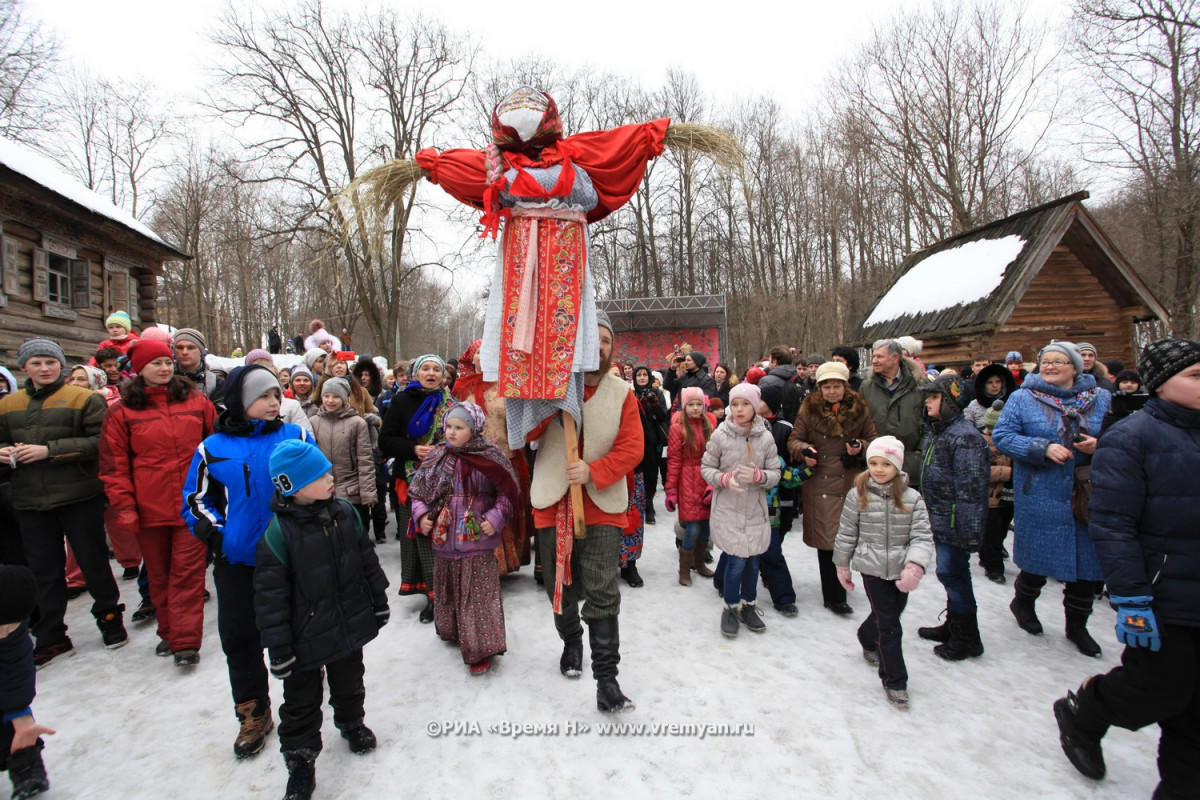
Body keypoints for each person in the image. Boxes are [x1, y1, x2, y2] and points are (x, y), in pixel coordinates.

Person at [1053, 338, 1200, 797]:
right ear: (1160, 384)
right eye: (1195, 375)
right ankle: (1086, 710)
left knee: (1195, 715)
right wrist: (1131, 597)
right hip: (1164, 590)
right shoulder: (1132, 438)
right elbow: (1113, 523)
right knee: (1158, 688)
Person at [182, 364, 313, 758]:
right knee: (239, 638)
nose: (275, 403)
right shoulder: (213, 447)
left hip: (290, 558)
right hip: (237, 561)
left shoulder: (297, 436)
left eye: (277, 395)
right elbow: (196, 500)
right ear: (240, 401)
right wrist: (219, 535)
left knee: (299, 633)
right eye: (264, 396)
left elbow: (319, 488)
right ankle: (253, 712)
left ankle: (302, 707)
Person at [256, 439, 389, 800]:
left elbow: (366, 561)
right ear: (293, 487)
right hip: (305, 635)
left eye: (328, 470)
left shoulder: (345, 512)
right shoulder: (278, 534)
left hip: (346, 622)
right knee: (300, 702)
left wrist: (378, 600)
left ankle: (351, 722)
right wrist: (279, 648)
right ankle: (300, 762)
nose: (330, 478)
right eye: (320, 475)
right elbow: (270, 600)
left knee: (350, 679)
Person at [528, 311, 643, 712]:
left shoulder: (623, 393)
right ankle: (571, 642)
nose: (598, 348)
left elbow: (632, 448)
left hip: (601, 504)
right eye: (589, 341)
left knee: (602, 590)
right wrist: (542, 401)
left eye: (605, 342)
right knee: (558, 589)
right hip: (551, 501)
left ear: (613, 349)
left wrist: (594, 470)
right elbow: (520, 434)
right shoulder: (548, 388)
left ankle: (607, 681)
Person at [0, 338, 126, 668]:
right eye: (37, 363)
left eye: (50, 362)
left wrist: (49, 450)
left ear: (61, 365)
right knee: (44, 570)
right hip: (29, 498)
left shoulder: (83, 399)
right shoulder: (8, 404)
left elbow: (100, 441)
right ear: (23, 366)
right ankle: (51, 634)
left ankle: (110, 617)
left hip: (78, 494)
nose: (44, 368)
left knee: (93, 562)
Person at [99, 339, 215, 667]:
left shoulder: (195, 400)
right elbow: (114, 466)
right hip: (147, 508)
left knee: (188, 574)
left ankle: (185, 642)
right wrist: (124, 507)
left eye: (168, 362)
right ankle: (168, 632)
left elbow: (213, 449)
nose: (165, 368)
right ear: (139, 368)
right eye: (156, 364)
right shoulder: (121, 411)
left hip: (191, 505)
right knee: (159, 576)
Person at [993, 341, 1112, 658]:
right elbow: (1003, 436)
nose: (1051, 366)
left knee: (1086, 562)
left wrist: (1100, 445)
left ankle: (1077, 625)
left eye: (1060, 361)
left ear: (1076, 367)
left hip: (1088, 491)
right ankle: (1024, 602)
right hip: (1041, 489)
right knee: (1038, 557)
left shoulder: (1101, 399)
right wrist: (1040, 448)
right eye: (1046, 361)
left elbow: (1121, 438)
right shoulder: (1022, 398)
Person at [410, 402, 519, 675]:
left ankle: (480, 647)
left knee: (477, 592)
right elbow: (419, 492)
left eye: (459, 428)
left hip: (476, 536)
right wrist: (421, 515)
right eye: (448, 426)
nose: (451, 432)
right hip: (445, 535)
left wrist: (495, 518)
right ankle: (452, 629)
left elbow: (509, 493)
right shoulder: (437, 455)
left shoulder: (491, 455)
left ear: (474, 428)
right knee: (447, 584)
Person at [833, 436, 934, 709]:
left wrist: (915, 565)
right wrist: (842, 565)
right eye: (874, 463)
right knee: (890, 625)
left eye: (886, 464)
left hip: (902, 568)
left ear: (898, 467)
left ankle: (867, 636)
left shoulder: (913, 498)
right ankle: (895, 681)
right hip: (871, 566)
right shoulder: (859, 494)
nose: (879, 469)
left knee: (889, 613)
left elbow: (922, 537)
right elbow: (846, 532)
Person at [787, 361, 877, 616]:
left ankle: (842, 583)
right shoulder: (809, 409)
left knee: (846, 538)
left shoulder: (859, 408)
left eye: (836, 386)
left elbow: (873, 439)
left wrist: (859, 447)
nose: (831, 391)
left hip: (850, 480)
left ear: (845, 386)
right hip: (821, 482)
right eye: (826, 386)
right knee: (828, 541)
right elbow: (794, 439)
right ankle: (834, 596)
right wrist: (804, 451)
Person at [914, 373, 990, 661]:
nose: (927, 402)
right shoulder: (939, 431)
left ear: (950, 401)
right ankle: (954, 625)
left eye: (934, 397)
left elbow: (972, 489)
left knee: (952, 573)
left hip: (956, 521)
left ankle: (967, 637)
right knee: (952, 575)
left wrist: (968, 531)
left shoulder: (965, 439)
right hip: (941, 516)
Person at [379, 355, 454, 623]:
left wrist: (442, 451)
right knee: (421, 536)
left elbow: (463, 437)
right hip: (409, 479)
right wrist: (413, 449)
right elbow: (385, 441)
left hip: (444, 479)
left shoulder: (452, 405)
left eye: (437, 369)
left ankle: (445, 593)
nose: (431, 373)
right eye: (425, 368)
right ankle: (433, 596)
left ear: (444, 376)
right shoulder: (401, 400)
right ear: (415, 373)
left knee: (441, 535)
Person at [702, 382, 780, 638]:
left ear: (755, 408)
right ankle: (730, 607)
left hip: (755, 510)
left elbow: (775, 473)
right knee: (735, 562)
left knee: (753, 562)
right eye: (735, 404)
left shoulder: (766, 436)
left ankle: (749, 605)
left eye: (745, 404)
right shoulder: (720, 434)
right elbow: (707, 468)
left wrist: (759, 475)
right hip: (728, 508)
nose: (739, 409)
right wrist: (724, 480)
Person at [450, 340, 534, 576]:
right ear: (471, 358)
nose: (484, 356)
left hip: (507, 456)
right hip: (473, 461)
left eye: (491, 352)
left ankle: (508, 563)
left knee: (505, 510)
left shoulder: (509, 385)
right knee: (479, 511)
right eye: (479, 352)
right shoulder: (459, 389)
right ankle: (484, 566)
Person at [0, 565, 56, 799]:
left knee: (13, 720)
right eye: (1, 628)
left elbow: (15, 671)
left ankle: (26, 766)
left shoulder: (9, 612)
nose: (5, 634)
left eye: (12, 627)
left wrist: (21, 717)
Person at [309, 378, 377, 540]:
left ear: (344, 398)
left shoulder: (357, 423)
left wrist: (368, 493)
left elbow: (365, 460)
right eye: (327, 396)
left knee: (353, 538)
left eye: (336, 397)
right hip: (322, 491)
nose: (330, 401)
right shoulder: (313, 422)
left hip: (351, 491)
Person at [665, 387, 715, 587]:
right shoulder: (678, 428)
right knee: (692, 528)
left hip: (706, 478)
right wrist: (671, 491)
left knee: (705, 528)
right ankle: (684, 568)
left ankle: (699, 562)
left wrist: (713, 483)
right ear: (684, 407)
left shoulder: (709, 425)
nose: (695, 408)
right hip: (687, 481)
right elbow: (674, 460)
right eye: (691, 405)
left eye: (699, 404)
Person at [859, 339, 926, 486]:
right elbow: (860, 422)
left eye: (879, 357)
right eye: (874, 357)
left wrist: (920, 450)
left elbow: (930, 422)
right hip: (877, 464)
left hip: (910, 462)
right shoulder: (866, 387)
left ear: (895, 357)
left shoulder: (920, 386)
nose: (874, 361)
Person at [978, 401, 1015, 585]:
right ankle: (994, 568)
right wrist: (1008, 473)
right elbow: (979, 471)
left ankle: (985, 555)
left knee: (1000, 532)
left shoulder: (1012, 441)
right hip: (989, 497)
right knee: (992, 533)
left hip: (1008, 497)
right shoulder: (980, 443)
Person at [631, 365, 667, 528]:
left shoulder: (658, 393)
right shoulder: (630, 394)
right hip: (635, 440)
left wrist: (654, 403)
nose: (642, 378)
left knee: (652, 474)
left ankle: (649, 504)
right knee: (637, 473)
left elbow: (663, 417)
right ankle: (639, 503)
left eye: (645, 375)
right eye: (639, 375)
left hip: (654, 442)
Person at [173, 328, 225, 411]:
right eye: (180, 347)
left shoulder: (215, 383)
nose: (184, 352)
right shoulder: (165, 378)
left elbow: (218, 417)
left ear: (201, 351)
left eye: (191, 348)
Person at [758, 346, 803, 427]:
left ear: (775, 362)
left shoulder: (766, 381)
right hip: (796, 427)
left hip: (773, 427)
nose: (768, 364)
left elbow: (760, 407)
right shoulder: (799, 378)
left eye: (769, 360)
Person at [964, 363, 1016, 431]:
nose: (995, 385)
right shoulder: (973, 406)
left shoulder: (1012, 404)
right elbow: (968, 430)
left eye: (998, 381)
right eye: (990, 382)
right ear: (983, 385)